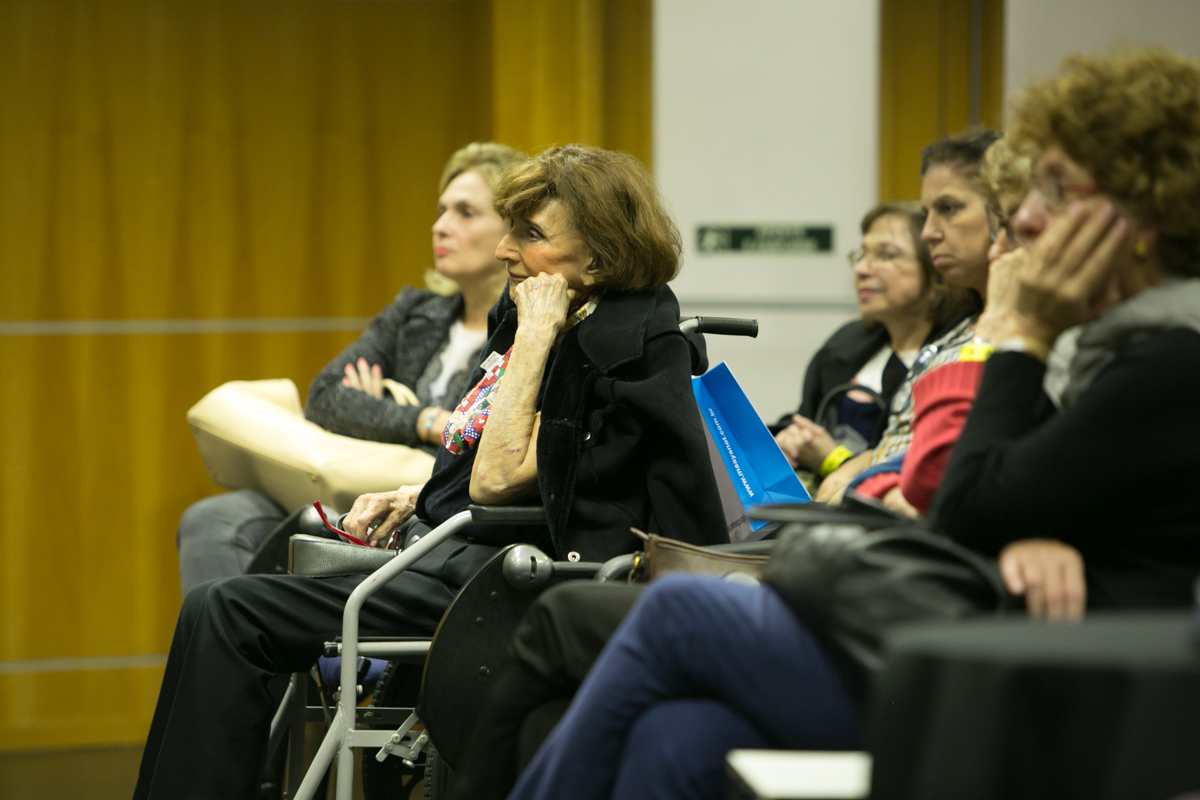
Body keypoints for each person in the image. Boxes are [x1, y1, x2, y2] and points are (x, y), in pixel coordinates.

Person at [505, 46, 1200, 800]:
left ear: (1144, 208)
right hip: (988, 639)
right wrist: (1021, 519)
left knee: (672, 613)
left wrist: (1015, 337)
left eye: (1056, 190)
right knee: (676, 737)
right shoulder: (1093, 348)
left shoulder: (1164, 357)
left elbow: (965, 499)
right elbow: (993, 495)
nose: (1027, 220)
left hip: (1051, 684)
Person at [133, 144, 728, 800]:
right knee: (224, 596)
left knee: (227, 611)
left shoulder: (616, 346)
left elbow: (498, 480)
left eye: (529, 235)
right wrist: (416, 493)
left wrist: (533, 336)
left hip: (505, 584)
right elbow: (532, 468)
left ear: (600, 258)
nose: (505, 250)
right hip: (459, 554)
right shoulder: (550, 317)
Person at [175, 142, 522, 594]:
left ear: (512, 229)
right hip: (351, 485)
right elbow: (325, 396)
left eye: (465, 213)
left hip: (429, 510)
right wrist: (425, 420)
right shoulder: (413, 311)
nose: (440, 226)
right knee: (215, 518)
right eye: (441, 211)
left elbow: (481, 443)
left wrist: (378, 410)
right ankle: (231, 638)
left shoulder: (526, 329)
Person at [814, 129, 998, 512]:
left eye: (949, 209)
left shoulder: (1023, 333)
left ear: (1001, 213)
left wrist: (850, 473)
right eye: (928, 214)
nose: (929, 232)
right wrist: (858, 467)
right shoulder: (958, 333)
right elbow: (897, 444)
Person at [772, 202, 974, 481]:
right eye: (862, 254)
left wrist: (834, 461)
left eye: (886, 255)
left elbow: (928, 470)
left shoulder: (958, 357)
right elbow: (806, 417)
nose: (862, 269)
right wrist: (789, 438)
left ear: (935, 270)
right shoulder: (845, 343)